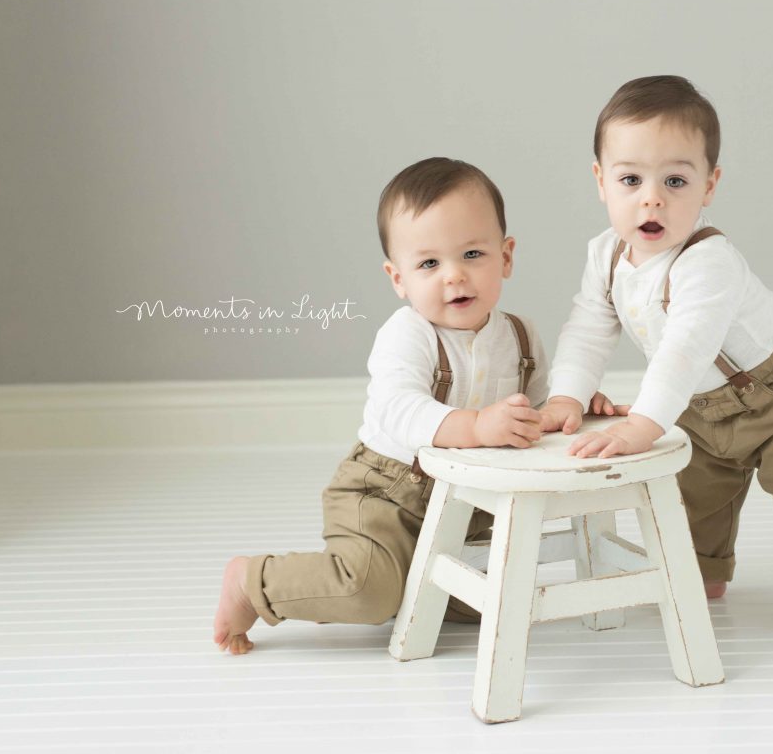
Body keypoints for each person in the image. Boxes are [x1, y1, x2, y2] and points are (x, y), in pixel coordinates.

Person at [539, 76, 773, 646]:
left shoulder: (708, 260)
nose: (652, 198)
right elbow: (589, 328)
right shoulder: (607, 254)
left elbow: (684, 347)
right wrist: (566, 395)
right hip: (699, 400)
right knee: (695, 494)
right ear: (601, 181)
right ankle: (706, 572)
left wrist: (643, 424)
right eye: (630, 180)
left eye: (674, 180)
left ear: (709, 185)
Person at [214, 157, 550, 654]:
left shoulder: (520, 336)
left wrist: (570, 407)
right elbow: (399, 409)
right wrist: (477, 425)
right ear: (399, 278)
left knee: (491, 601)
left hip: (465, 504)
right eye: (429, 264)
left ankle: (409, 579)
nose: (454, 276)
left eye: (473, 253)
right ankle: (255, 581)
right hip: (384, 494)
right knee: (367, 589)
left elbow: (536, 409)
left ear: (506, 256)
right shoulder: (406, 333)